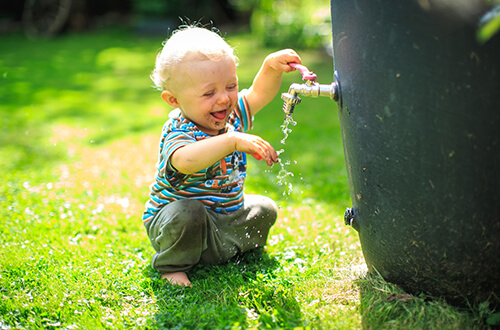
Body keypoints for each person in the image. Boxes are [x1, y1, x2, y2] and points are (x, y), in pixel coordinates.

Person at [142, 25, 302, 286]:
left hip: (225, 218)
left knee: (264, 208)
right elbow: (185, 161)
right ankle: (173, 264)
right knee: (188, 214)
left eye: (231, 86)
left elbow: (259, 94)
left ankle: (217, 250)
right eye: (209, 93)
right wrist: (231, 141)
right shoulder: (179, 129)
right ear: (174, 100)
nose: (224, 99)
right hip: (179, 223)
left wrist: (270, 67)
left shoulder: (231, 116)